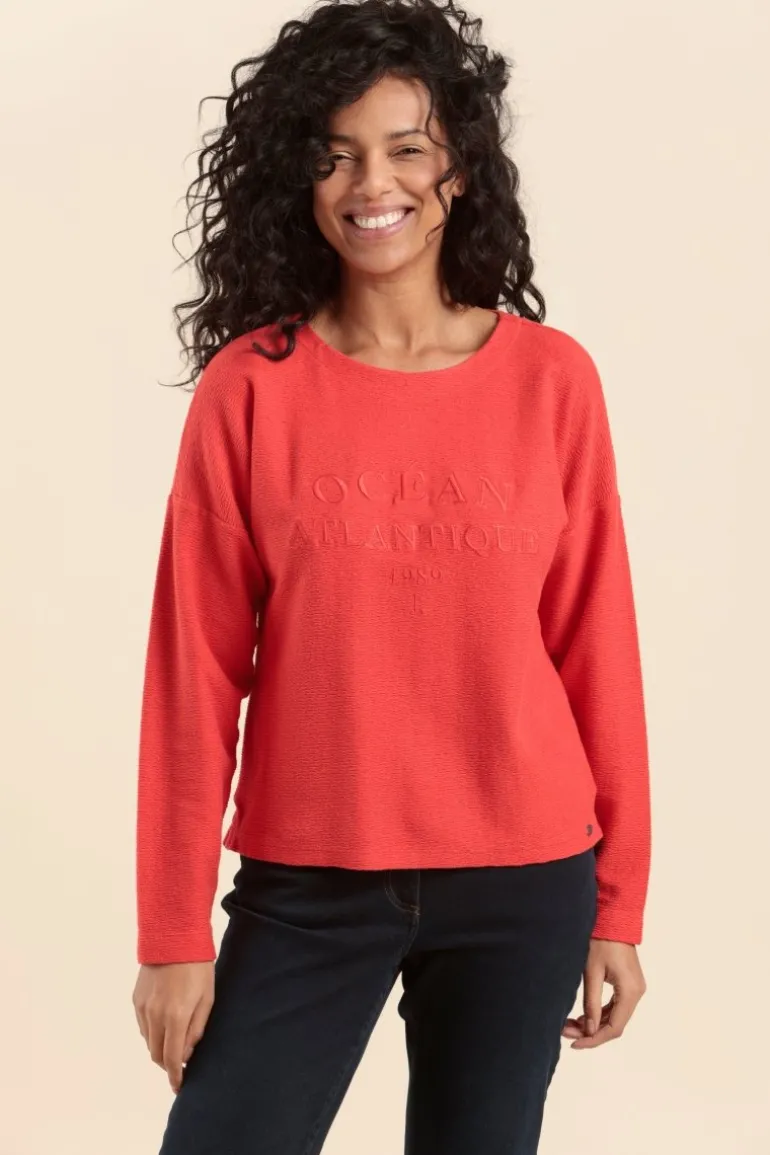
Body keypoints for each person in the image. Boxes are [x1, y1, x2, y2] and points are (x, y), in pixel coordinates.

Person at [131, 1, 651, 1152]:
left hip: (525, 876)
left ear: (457, 167)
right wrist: (170, 933)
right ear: (298, 178)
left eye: (406, 148)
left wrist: (617, 901)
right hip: (309, 879)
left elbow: (595, 644)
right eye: (336, 154)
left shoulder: (551, 383)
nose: (373, 183)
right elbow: (193, 676)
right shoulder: (250, 389)